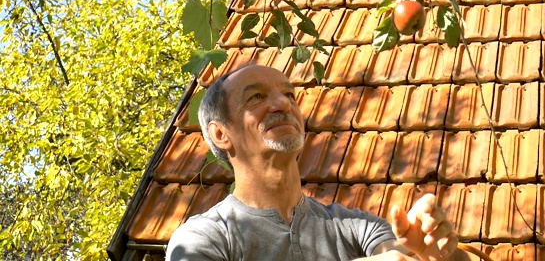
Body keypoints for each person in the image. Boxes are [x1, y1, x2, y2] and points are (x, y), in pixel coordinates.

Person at [167, 65, 466, 260]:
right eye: (256, 97)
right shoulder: (201, 239)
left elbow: (395, 253)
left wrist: (437, 254)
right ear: (221, 133)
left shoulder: (358, 227)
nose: (283, 104)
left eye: (289, 95)